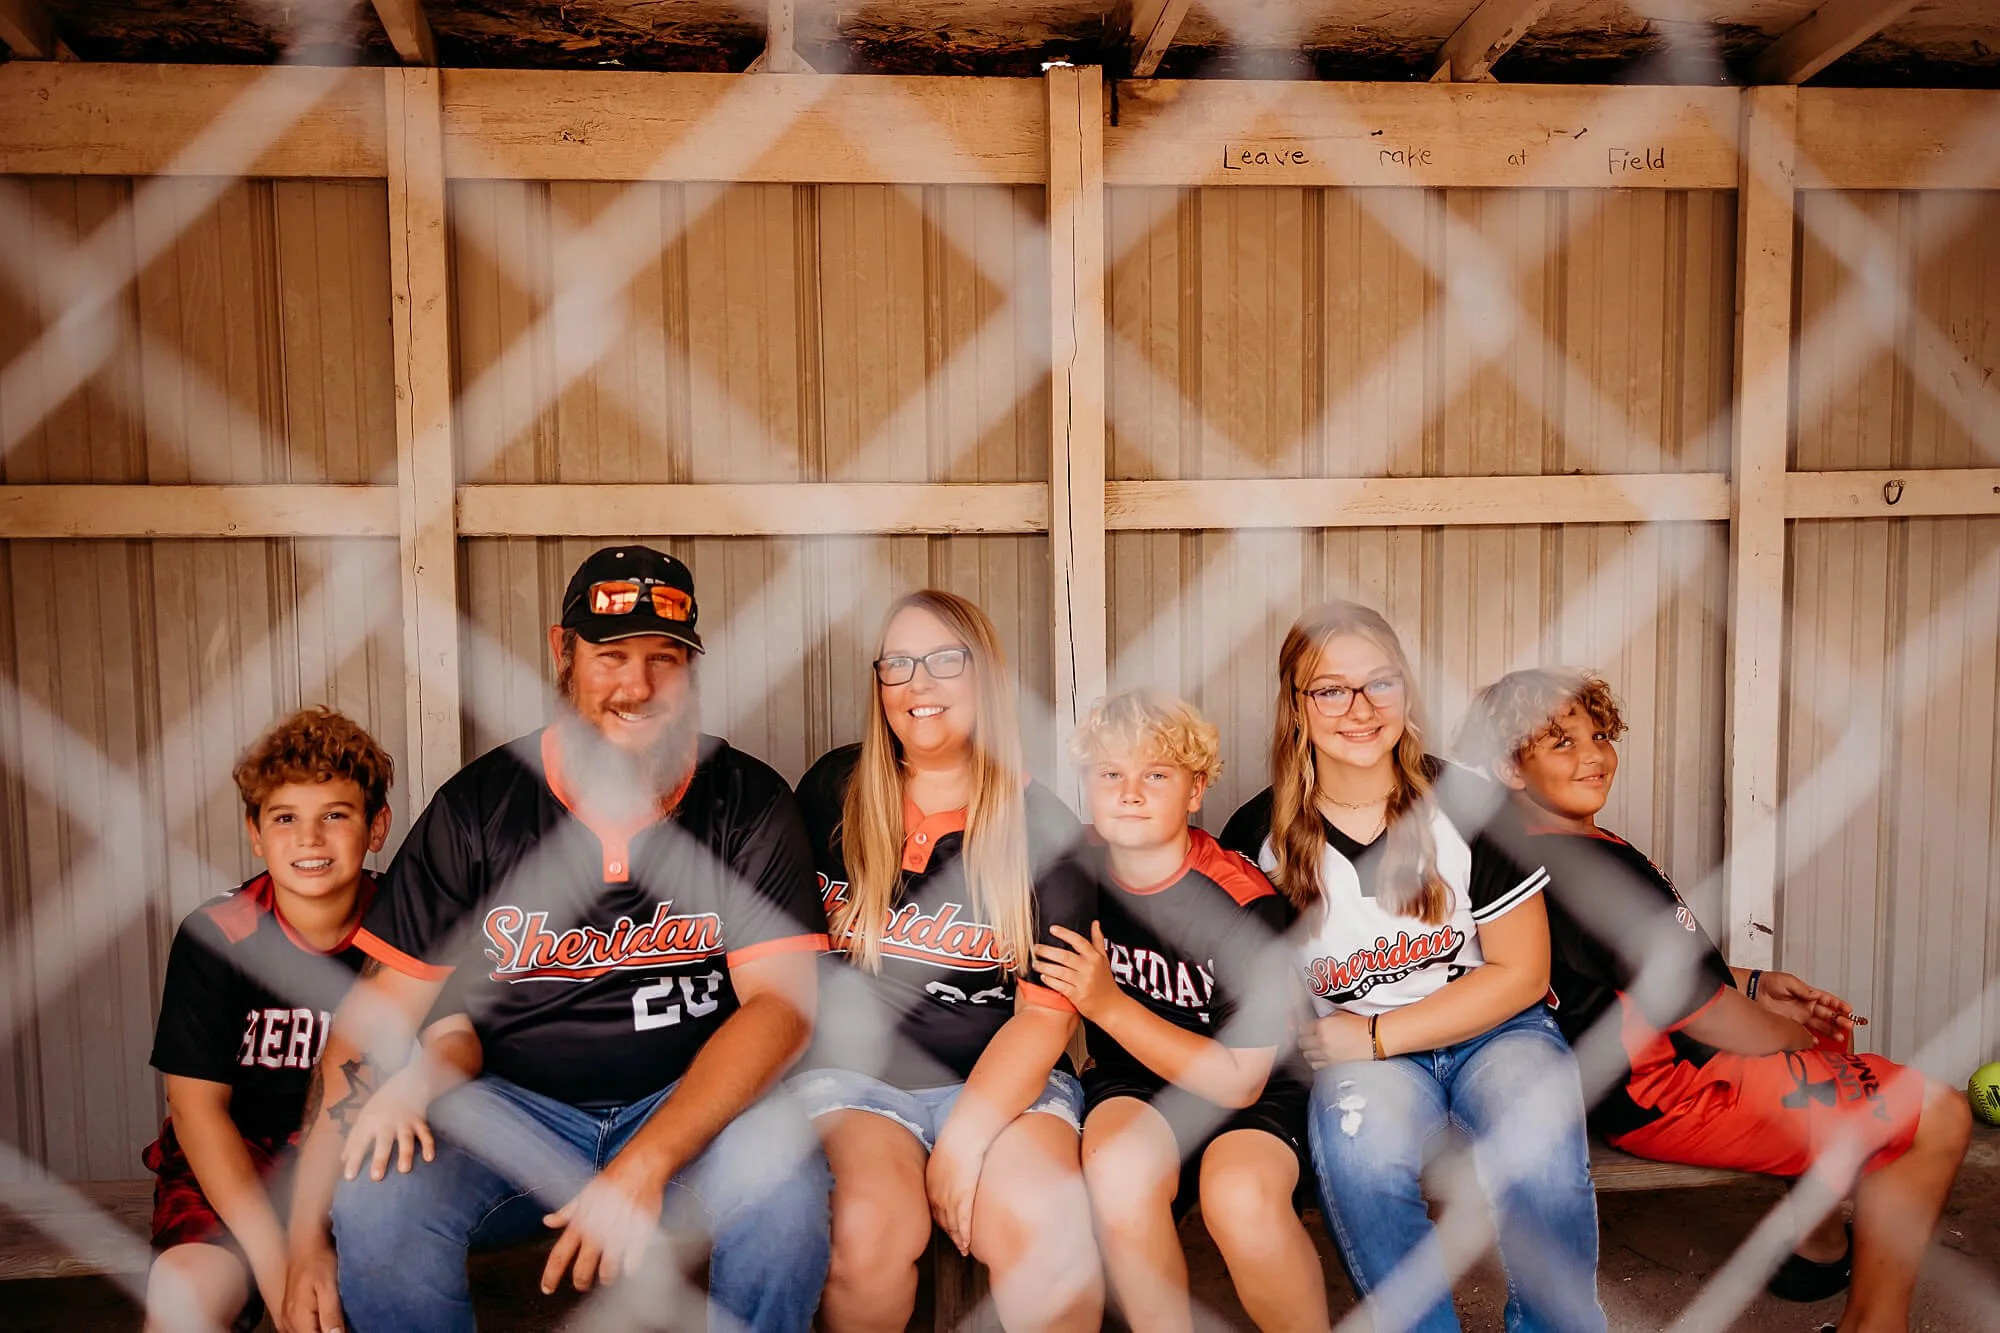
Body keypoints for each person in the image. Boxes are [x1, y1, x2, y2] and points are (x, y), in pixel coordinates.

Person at [280, 545, 834, 1333]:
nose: (636, 686)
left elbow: (781, 1008)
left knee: (783, 1187)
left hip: (683, 1109)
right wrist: (305, 1237)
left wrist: (647, 1161)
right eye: (611, 656)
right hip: (512, 1116)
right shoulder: (481, 809)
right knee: (379, 1201)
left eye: (664, 659)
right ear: (562, 651)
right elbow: (371, 1024)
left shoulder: (745, 801)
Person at [1455, 667, 1974, 1333]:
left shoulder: (1535, 848)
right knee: (1938, 1115)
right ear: (1510, 766)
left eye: (1600, 734)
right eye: (1561, 743)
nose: (1593, 754)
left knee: (1833, 1054)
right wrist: (1792, 1036)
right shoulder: (1581, 867)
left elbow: (1635, 968)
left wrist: (1752, 981)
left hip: (1656, 1064)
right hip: (1674, 1087)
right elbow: (1716, 1018)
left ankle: (1814, 1248)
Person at [1221, 601, 1606, 1333]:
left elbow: (1522, 972)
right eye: (1331, 689)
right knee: (1359, 1156)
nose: (1360, 709)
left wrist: (1370, 1037)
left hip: (1491, 1028)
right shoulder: (1256, 836)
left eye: (1381, 683)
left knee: (1543, 1140)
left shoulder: (1468, 802)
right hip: (1362, 1057)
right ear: (1297, 707)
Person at [790, 589, 1102, 1332]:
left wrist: (964, 1141)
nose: (918, 683)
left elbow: (1046, 1015)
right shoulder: (831, 790)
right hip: (859, 1079)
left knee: (1050, 1240)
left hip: (1004, 1083)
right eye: (897, 663)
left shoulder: (1040, 825)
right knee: (867, 1234)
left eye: (943, 661)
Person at [144, 707, 476, 1333]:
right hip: (237, 1160)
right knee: (184, 1293)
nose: (309, 838)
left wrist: (417, 1083)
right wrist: (280, 1277)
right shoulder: (218, 935)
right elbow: (196, 1111)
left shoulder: (407, 925)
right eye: (286, 817)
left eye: (335, 815)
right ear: (255, 832)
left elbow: (455, 1044)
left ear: (377, 827)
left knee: (377, 1283)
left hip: (360, 1157)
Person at [1034, 688, 1326, 1333]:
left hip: (1259, 1090)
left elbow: (1241, 1078)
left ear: (1195, 791)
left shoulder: (1243, 902)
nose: (1130, 793)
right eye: (1110, 774)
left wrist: (1106, 1004)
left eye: (1156, 775)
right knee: (1117, 1170)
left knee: (1240, 1196)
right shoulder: (1073, 870)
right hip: (1138, 1079)